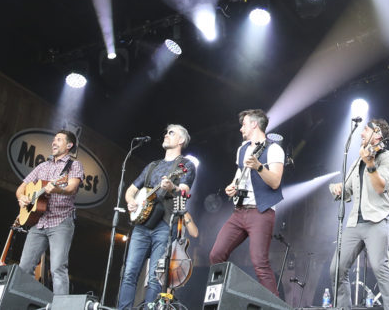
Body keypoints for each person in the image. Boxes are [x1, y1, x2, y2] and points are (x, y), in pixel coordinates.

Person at [117, 125, 196, 310]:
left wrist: (172, 188)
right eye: (166, 132)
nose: (166, 135)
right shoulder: (152, 166)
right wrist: (131, 202)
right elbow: (131, 190)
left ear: (181, 140)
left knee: (154, 277)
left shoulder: (185, 165)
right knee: (129, 273)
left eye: (171, 133)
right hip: (142, 224)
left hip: (164, 225)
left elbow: (183, 192)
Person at [210, 109, 285, 297]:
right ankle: (223, 298)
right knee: (216, 254)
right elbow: (239, 173)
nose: (241, 128)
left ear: (254, 124)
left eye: (244, 124)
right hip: (239, 211)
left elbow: (275, 181)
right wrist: (232, 186)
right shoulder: (242, 148)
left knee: (259, 262)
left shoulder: (274, 149)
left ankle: (275, 306)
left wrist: (259, 167)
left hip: (261, 212)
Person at [328, 119, 389, 310]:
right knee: (337, 269)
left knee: (379, 266)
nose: (361, 133)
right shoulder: (358, 159)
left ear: (377, 134)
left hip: (377, 221)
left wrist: (370, 163)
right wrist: (338, 188)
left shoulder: (388, 158)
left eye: (365, 129)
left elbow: (380, 187)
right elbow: (349, 190)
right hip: (354, 222)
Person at [15, 130, 84, 295]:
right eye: (54, 139)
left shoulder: (74, 165)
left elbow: (71, 188)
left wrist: (58, 189)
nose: (54, 142)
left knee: (58, 269)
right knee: (24, 267)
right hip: (38, 222)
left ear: (69, 145)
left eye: (59, 140)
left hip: (60, 222)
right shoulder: (42, 166)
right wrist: (22, 198)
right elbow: (21, 188)